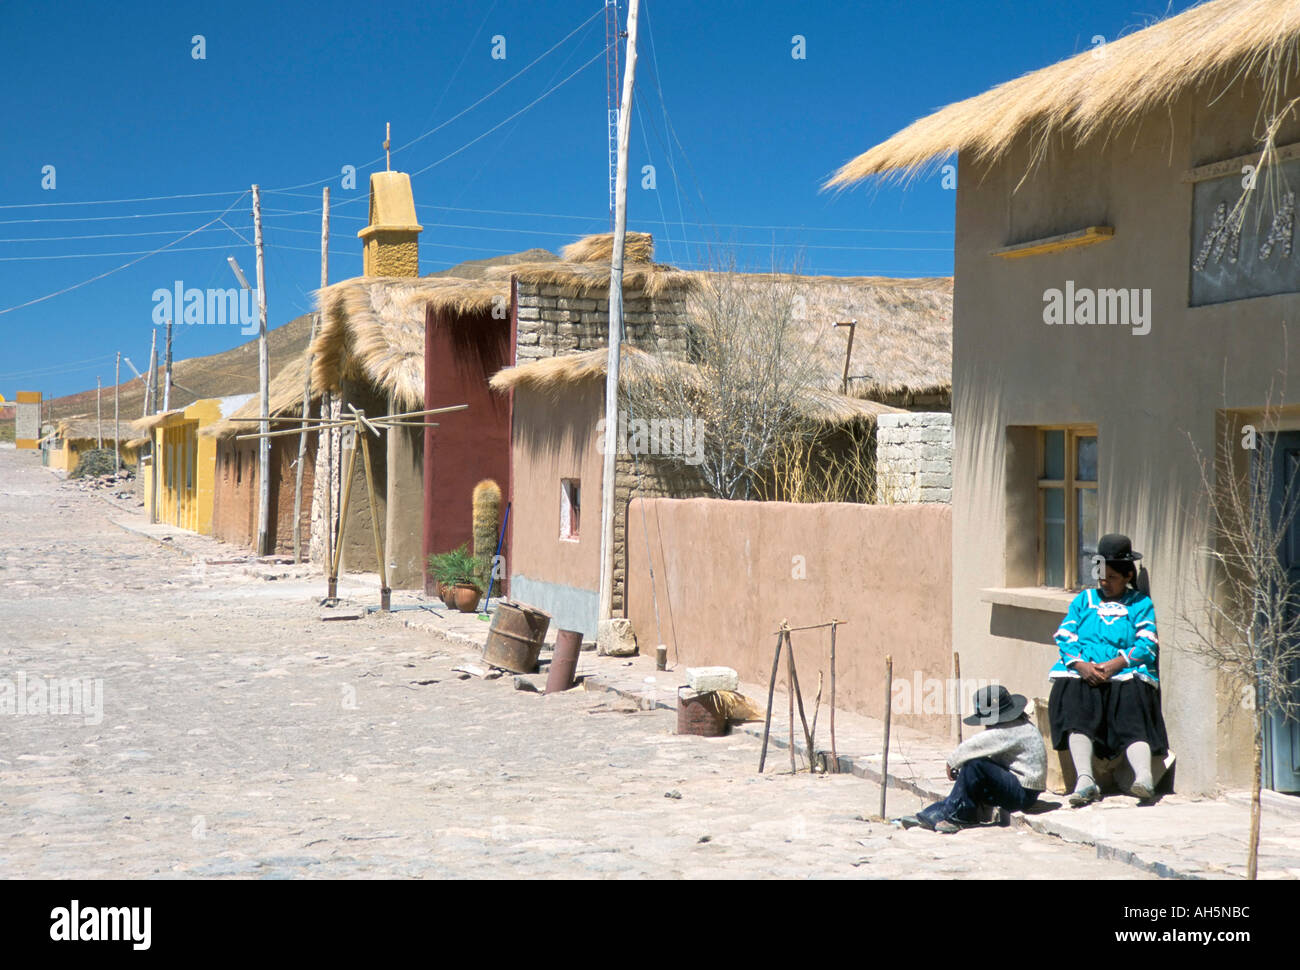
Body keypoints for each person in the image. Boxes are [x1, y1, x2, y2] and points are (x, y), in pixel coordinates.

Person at [1050, 533, 1169, 806]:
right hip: (1086, 670)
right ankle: (1085, 780)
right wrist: (1081, 665)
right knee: (1076, 705)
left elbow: (1147, 643)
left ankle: (1143, 778)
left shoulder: (1140, 604)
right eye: (1102, 577)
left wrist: (1117, 664)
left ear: (1127, 576)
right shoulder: (1084, 600)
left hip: (1124, 670)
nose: (1105, 583)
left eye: (1112, 577)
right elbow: (1066, 635)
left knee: (1132, 708)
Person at [897, 685, 1047, 833]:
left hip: (1023, 793)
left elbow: (975, 745)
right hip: (1020, 789)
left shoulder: (1010, 730)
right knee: (967, 782)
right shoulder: (1018, 725)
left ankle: (958, 818)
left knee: (975, 765)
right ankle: (932, 815)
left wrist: (952, 762)